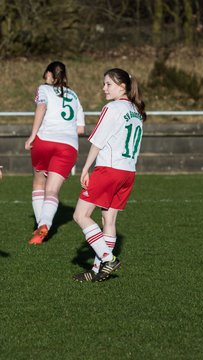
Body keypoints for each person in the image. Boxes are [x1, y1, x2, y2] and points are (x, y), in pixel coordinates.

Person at [73, 67, 147, 282]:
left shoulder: (112, 108)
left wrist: (86, 168)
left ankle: (107, 258)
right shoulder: (136, 111)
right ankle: (98, 271)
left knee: (80, 215)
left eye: (108, 84)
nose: (103, 88)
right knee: (108, 219)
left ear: (122, 87)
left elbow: (98, 140)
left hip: (109, 170)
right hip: (128, 172)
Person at [25, 61, 85, 244]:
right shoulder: (74, 95)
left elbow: (41, 108)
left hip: (45, 141)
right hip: (68, 146)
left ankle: (40, 226)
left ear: (50, 75)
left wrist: (32, 135)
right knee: (52, 190)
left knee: (38, 183)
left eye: (46, 76)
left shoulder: (44, 89)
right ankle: (45, 224)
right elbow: (81, 129)